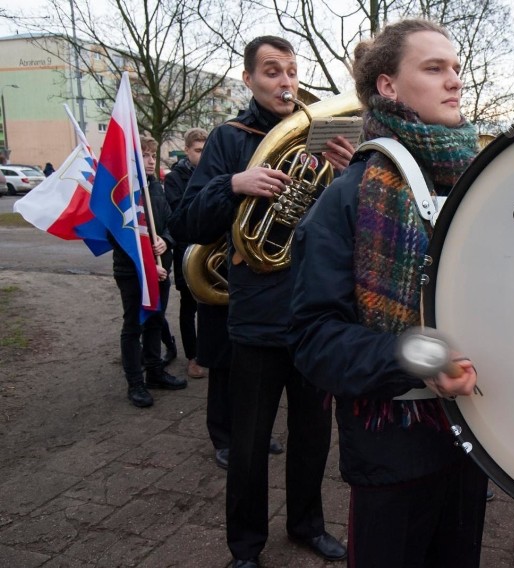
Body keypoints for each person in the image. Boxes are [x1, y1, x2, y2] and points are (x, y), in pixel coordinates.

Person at [287, 19, 488, 567]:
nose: (454, 81)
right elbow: (314, 341)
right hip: (392, 452)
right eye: (433, 68)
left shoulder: (480, 188)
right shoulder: (349, 196)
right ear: (387, 86)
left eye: (455, 69)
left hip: (479, 438)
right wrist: (423, 357)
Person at [171, 36, 352, 568]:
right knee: (248, 445)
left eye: (291, 71)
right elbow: (186, 223)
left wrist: (346, 177)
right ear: (249, 79)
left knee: (314, 437)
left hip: (317, 313)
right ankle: (245, 548)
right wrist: (234, 183)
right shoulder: (229, 139)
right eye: (272, 71)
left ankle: (306, 526)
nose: (286, 81)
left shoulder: (323, 134)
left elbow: (348, 225)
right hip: (254, 315)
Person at [114, 136, 187, 408]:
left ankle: (155, 371)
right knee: (134, 324)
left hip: (160, 269)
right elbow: (119, 237)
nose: (150, 160)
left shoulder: (155, 187)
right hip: (132, 272)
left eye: (152, 156)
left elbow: (169, 224)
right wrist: (146, 261)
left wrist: (165, 240)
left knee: (156, 319)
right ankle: (135, 382)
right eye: (144, 156)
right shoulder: (121, 191)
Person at [164, 127, 208, 380]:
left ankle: (207, 351)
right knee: (189, 305)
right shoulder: (174, 178)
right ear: (187, 150)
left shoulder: (214, 172)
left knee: (210, 307)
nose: (202, 156)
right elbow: (179, 215)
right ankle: (193, 357)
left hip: (209, 249)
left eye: (206, 150)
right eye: (198, 151)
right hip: (186, 251)